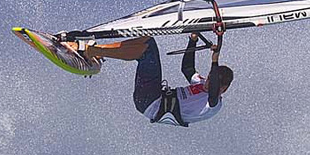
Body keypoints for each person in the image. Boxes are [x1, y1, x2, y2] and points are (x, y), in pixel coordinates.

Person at [61, 35, 233, 127]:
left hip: (153, 102)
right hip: (151, 97)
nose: (208, 82)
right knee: (148, 42)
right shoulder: (201, 84)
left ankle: (90, 52)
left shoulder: (213, 103)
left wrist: (214, 59)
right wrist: (192, 41)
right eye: (209, 78)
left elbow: (212, 94)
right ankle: (96, 52)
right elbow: (187, 69)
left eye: (213, 82)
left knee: (147, 52)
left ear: (223, 89)